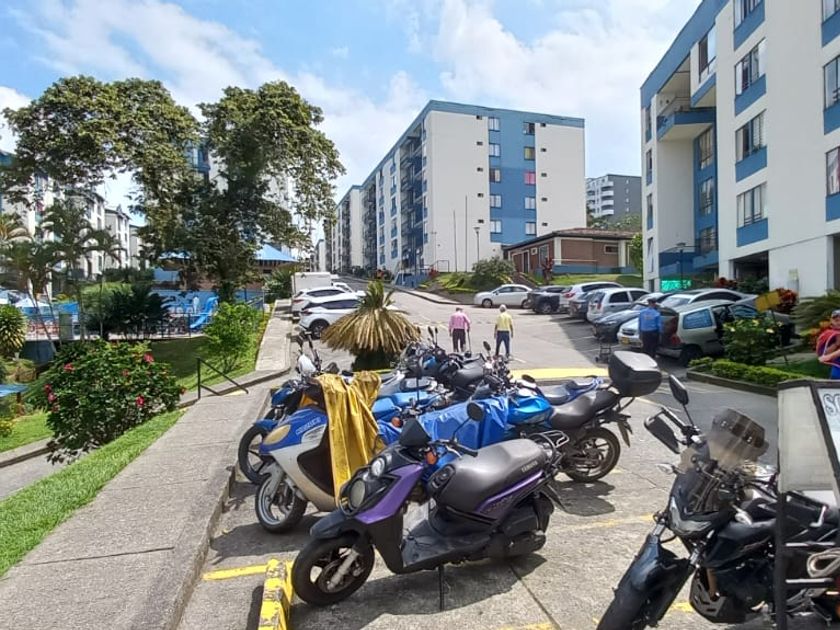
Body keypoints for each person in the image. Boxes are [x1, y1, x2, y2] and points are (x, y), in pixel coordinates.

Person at [817, 310, 840, 379]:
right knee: (834, 382)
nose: (839, 322)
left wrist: (829, 357)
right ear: (831, 321)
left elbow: (825, 357)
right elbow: (824, 353)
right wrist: (836, 344)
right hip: (837, 368)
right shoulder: (829, 334)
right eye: (836, 320)